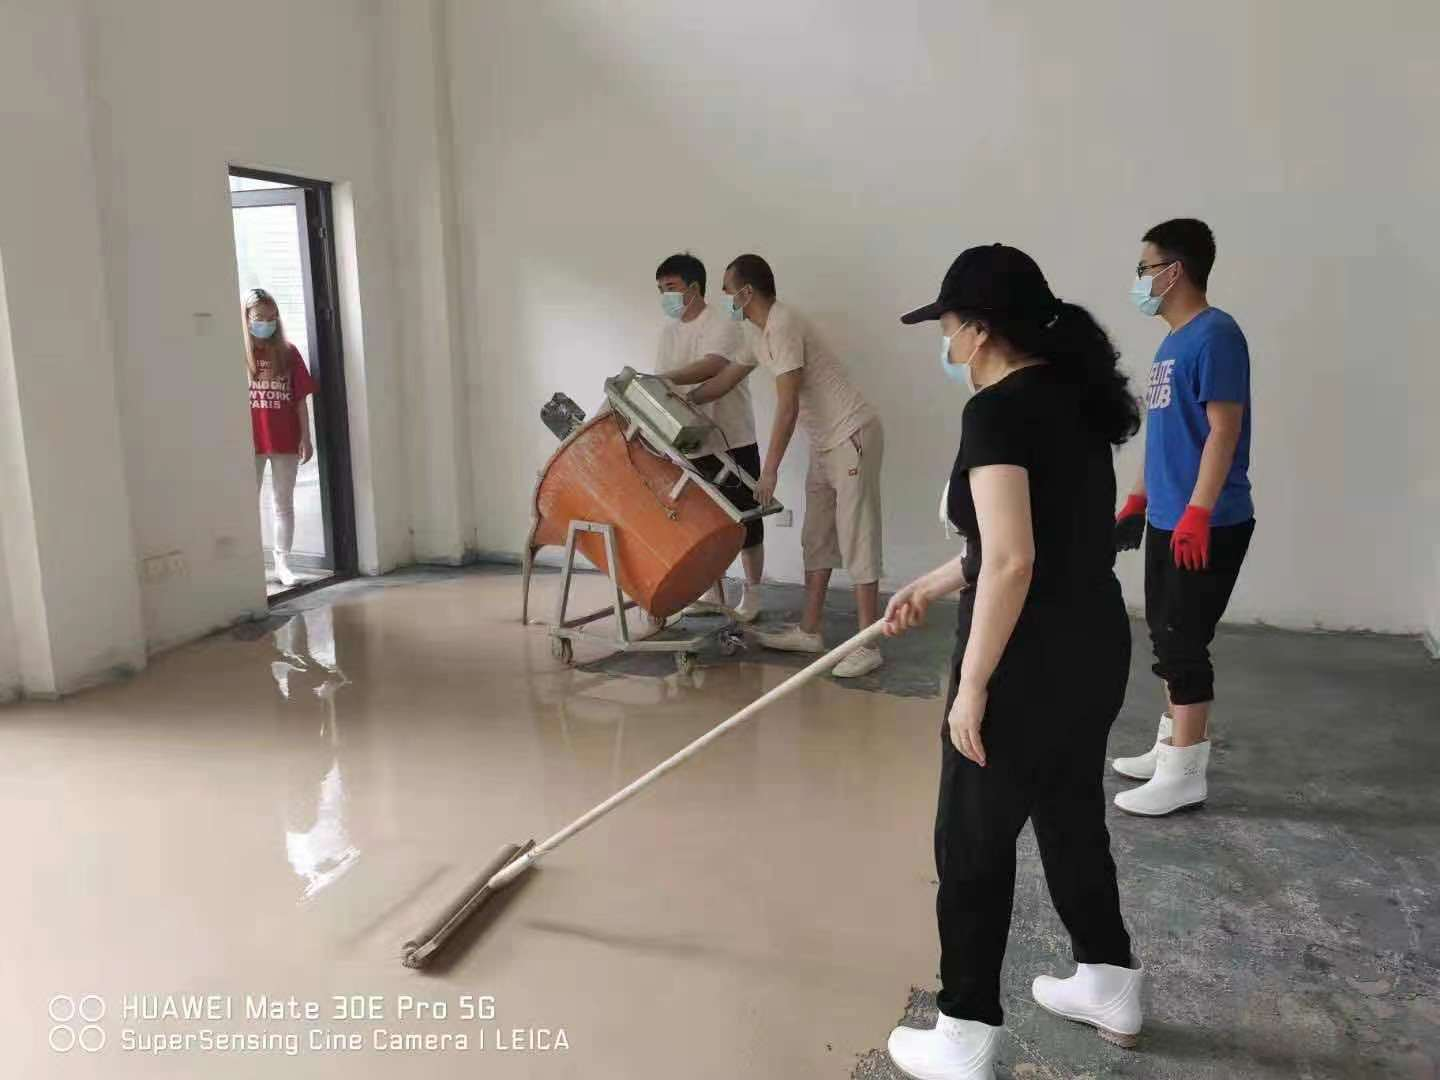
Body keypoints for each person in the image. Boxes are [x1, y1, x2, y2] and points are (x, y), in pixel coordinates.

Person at [883, 244, 1144, 1077]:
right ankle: (1109, 980)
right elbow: (1039, 542)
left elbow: (1011, 561)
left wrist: (972, 685)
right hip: (1094, 643)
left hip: (1024, 660)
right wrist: (931, 584)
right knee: (1069, 815)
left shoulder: (994, 412)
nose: (946, 343)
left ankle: (964, 1030)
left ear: (980, 328)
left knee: (971, 840)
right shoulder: (1073, 398)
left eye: (948, 326)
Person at [1111, 219, 1255, 817]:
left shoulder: (1218, 336)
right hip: (1170, 517)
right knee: (1166, 634)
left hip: (1209, 522)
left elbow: (1224, 430)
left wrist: (1198, 511)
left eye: (1144, 268)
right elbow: (1165, 437)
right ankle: (1171, 746)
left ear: (1174, 271)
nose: (1139, 280)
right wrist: (1138, 500)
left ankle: (1185, 775)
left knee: (1184, 642)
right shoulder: (1172, 344)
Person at [691, 254, 885, 679]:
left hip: (851, 434)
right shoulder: (755, 333)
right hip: (824, 442)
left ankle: (868, 644)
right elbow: (724, 379)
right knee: (816, 536)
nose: (726, 300)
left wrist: (770, 470)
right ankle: (809, 631)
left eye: (728, 291)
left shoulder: (783, 324)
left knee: (857, 536)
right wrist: (680, 395)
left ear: (747, 292)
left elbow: (788, 404)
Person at [649, 253, 765, 623]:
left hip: (732, 437)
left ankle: (753, 593)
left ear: (694, 287)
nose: (665, 295)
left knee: (746, 520)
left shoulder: (723, 321)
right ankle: (712, 591)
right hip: (690, 442)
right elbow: (665, 384)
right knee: (703, 523)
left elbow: (714, 365)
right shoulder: (668, 333)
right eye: (660, 289)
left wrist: (665, 380)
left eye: (670, 287)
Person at [245, 288, 315, 587]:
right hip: (250, 440)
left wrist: (306, 438)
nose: (266, 323)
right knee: (246, 503)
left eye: (272, 317)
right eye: (259, 317)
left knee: (283, 503)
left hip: (285, 438)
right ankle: (249, 566)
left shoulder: (288, 352)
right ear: (247, 317)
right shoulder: (238, 353)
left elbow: (300, 400)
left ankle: (283, 564)